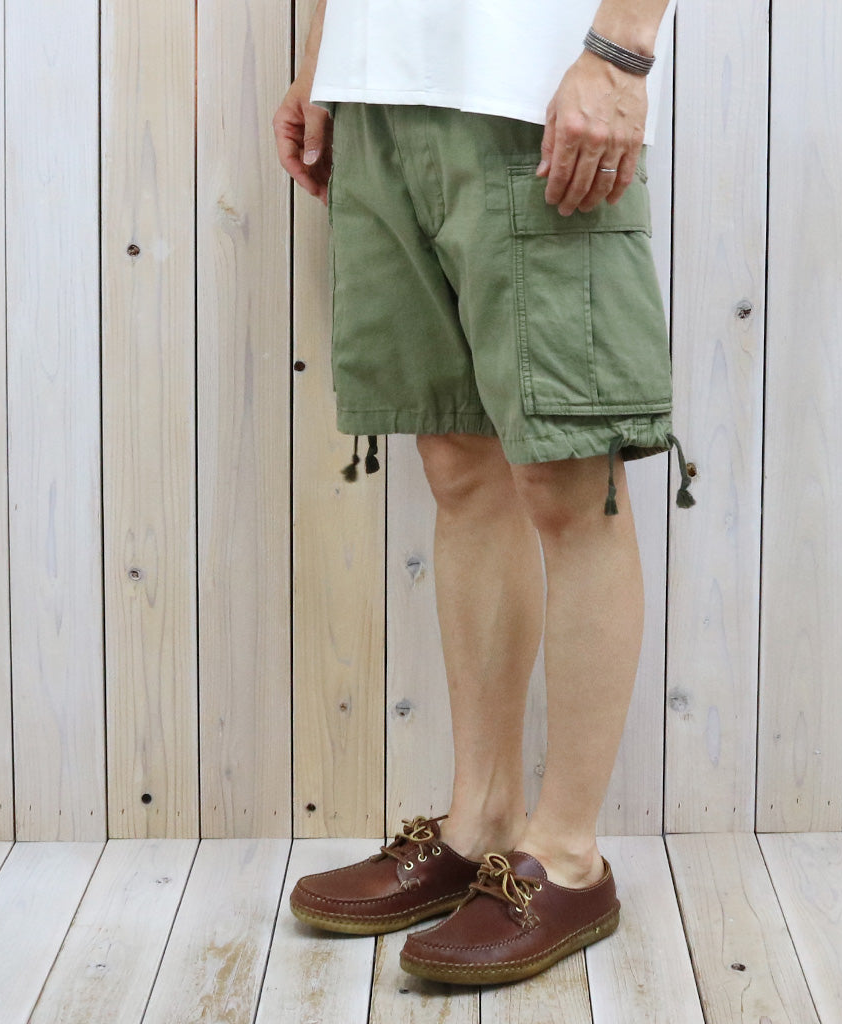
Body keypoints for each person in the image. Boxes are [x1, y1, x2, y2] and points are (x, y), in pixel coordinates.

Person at [272, 0, 692, 986]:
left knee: (568, 475)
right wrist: (325, 58)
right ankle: (481, 824)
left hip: (536, 89)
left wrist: (619, 54)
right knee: (458, 463)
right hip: (379, 91)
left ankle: (570, 858)